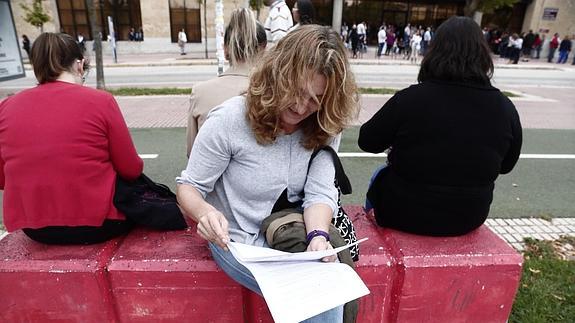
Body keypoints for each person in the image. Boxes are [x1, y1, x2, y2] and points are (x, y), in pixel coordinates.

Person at [176, 25, 359, 322]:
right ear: (278, 75)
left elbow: (320, 193)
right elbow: (189, 187)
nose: (301, 107)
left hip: (293, 234)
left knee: (328, 293)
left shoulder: (325, 125)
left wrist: (317, 236)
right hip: (237, 241)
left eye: (315, 99)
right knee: (320, 304)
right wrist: (205, 214)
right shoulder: (230, 119)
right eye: (297, 91)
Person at [358, 16, 522, 237]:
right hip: (469, 217)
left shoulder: (411, 99)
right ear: (483, 55)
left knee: (380, 173)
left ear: (434, 52)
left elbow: (367, 141)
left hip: (402, 213)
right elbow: (506, 165)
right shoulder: (504, 107)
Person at [0, 33, 143, 244]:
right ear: (79, 64)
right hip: (100, 223)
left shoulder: (6, 107)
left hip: (35, 228)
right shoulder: (100, 101)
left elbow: (3, 179)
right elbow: (131, 169)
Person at [186, 8, 267, 156]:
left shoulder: (200, 92)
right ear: (263, 49)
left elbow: (192, 152)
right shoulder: (273, 92)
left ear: (225, 49)